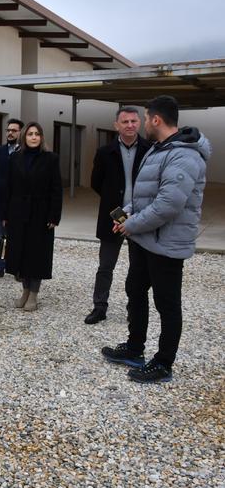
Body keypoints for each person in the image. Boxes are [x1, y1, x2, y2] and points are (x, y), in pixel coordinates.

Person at [102, 95, 210, 384]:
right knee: (135, 290)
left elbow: (168, 205)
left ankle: (163, 363)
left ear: (156, 119)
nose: (143, 124)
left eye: (146, 118)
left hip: (167, 243)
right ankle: (134, 348)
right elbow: (145, 195)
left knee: (167, 303)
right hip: (145, 239)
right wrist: (127, 213)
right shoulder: (159, 148)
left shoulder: (184, 155)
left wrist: (131, 225)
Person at [85, 107, 149, 324]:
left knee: (138, 267)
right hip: (113, 216)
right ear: (116, 125)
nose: (130, 125)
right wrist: (117, 209)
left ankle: (135, 309)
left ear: (139, 123)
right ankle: (99, 306)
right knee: (106, 266)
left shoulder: (150, 150)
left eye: (133, 121)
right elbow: (96, 182)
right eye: (125, 122)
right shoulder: (105, 152)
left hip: (141, 216)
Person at [2, 122, 62, 312]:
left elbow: (56, 189)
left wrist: (54, 216)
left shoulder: (51, 159)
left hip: (41, 213)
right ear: (24, 137)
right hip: (18, 212)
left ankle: (34, 294)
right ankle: (25, 291)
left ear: (41, 137)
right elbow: (8, 187)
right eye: (30, 134)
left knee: (37, 255)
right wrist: (5, 213)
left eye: (37, 134)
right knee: (20, 253)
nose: (34, 137)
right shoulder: (14, 158)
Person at [0, 118, 23, 280]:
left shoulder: (25, 152)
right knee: (1, 236)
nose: (10, 133)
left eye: (14, 131)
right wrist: (0, 185)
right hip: (2, 201)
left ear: (21, 133)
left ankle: (17, 268)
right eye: (8, 130)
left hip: (20, 202)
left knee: (18, 236)